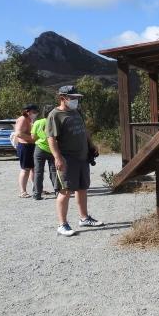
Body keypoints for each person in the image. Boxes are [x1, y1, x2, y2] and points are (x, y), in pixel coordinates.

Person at [46, 85, 103, 237]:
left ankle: (84, 218)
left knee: (82, 188)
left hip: (82, 157)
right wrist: (57, 157)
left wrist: (91, 145)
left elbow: (84, 130)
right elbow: (51, 138)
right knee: (65, 190)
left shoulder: (76, 112)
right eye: (72, 98)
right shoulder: (55, 115)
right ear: (62, 98)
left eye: (77, 98)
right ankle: (62, 224)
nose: (75, 100)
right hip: (66, 159)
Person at [31, 105, 57, 201]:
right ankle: (57, 191)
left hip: (40, 149)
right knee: (54, 171)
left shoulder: (38, 122)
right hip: (53, 149)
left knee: (38, 172)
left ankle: (37, 194)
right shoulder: (55, 122)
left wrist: (42, 138)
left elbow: (33, 137)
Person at [15, 104, 39, 198]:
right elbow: (18, 133)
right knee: (25, 169)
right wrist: (31, 138)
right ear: (27, 111)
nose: (35, 113)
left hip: (31, 146)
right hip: (25, 146)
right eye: (34, 112)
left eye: (36, 112)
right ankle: (22, 191)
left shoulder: (30, 119)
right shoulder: (22, 119)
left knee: (34, 169)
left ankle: (36, 188)